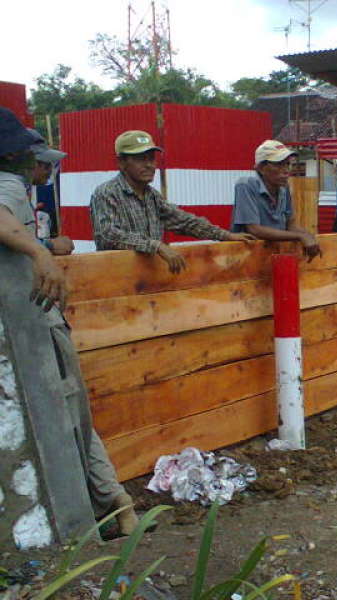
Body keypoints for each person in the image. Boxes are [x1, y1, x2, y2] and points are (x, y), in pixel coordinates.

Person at [0, 107, 139, 535]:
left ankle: (111, 509)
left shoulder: (15, 186)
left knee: (71, 417)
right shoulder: (8, 185)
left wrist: (42, 249)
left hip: (35, 326)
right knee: (69, 419)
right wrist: (41, 252)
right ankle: (107, 511)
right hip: (33, 329)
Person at [90, 130, 255, 273]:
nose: (149, 165)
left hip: (147, 278)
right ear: (121, 163)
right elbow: (108, 235)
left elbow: (184, 221)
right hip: (114, 280)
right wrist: (157, 246)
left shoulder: (152, 196)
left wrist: (225, 235)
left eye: (151, 159)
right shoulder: (106, 193)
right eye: (141, 159)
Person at [231, 139, 321, 261]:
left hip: (274, 255)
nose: (286, 170)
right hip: (247, 258)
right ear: (261, 168)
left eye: (288, 164)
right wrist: (301, 236)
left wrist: (309, 237)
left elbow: (291, 225)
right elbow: (254, 229)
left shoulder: (284, 188)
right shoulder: (246, 185)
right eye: (279, 164)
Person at [27, 128, 74, 254]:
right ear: (30, 162)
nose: (50, 171)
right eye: (47, 165)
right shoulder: (9, 192)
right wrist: (49, 245)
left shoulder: (24, 191)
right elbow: (12, 238)